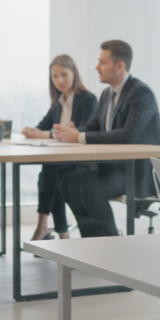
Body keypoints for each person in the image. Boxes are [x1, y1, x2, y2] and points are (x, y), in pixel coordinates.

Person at [52, 40, 160, 237]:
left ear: (119, 66)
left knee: (90, 190)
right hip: (112, 168)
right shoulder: (107, 94)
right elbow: (93, 127)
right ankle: (92, 242)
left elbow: (129, 134)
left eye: (102, 62)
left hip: (136, 173)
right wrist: (70, 133)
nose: (97, 67)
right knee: (68, 184)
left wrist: (80, 136)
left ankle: (111, 243)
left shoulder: (141, 93)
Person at [21, 54, 99, 240]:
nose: (59, 81)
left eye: (64, 75)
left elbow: (85, 130)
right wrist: (31, 131)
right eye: (55, 76)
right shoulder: (58, 102)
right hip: (61, 162)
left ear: (74, 74)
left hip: (81, 161)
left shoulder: (88, 99)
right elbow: (43, 126)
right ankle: (58, 233)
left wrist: (46, 134)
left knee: (50, 172)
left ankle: (45, 228)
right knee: (52, 172)